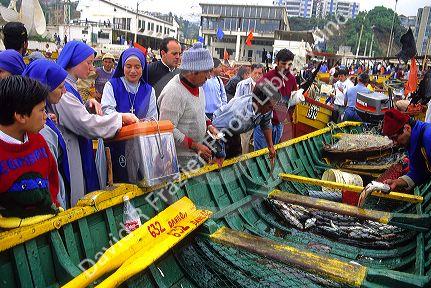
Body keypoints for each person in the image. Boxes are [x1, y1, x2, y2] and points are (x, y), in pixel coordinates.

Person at [53, 41, 139, 205]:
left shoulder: (69, 86)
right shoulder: (63, 90)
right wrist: (119, 119)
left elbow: (77, 114)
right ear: (74, 62)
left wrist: (87, 105)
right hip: (72, 149)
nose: (92, 68)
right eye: (89, 63)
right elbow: (83, 123)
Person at [0, 76, 60, 217]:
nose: (46, 116)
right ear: (21, 116)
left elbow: (52, 184)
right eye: (41, 110)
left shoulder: (39, 141)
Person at [158, 42, 221, 169]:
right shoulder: (174, 93)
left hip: (195, 156)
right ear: (193, 71)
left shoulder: (199, 86)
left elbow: (198, 111)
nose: (209, 76)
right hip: (178, 160)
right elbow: (167, 129)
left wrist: (209, 125)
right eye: (207, 72)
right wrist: (196, 146)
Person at [102, 47, 158, 182]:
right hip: (116, 142)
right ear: (122, 66)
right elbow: (106, 110)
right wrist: (124, 119)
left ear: (143, 68)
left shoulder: (149, 90)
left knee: (139, 180)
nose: (133, 71)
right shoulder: (112, 85)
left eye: (137, 67)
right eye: (128, 66)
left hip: (140, 144)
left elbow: (153, 117)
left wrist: (143, 123)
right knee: (117, 179)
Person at [22, 60, 72, 209]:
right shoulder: (41, 131)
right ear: (45, 87)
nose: (65, 91)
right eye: (61, 87)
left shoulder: (43, 118)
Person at [212, 81, 277, 163]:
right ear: (259, 102)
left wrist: (270, 146)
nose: (272, 109)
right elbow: (215, 129)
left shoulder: (267, 108)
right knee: (218, 162)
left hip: (234, 131)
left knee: (236, 159)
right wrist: (219, 153)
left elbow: (266, 124)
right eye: (270, 107)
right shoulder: (237, 112)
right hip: (218, 128)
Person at [254, 49, 298, 151]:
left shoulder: (291, 79)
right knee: (260, 156)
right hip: (263, 126)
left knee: (272, 154)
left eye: (289, 64)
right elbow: (254, 97)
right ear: (277, 62)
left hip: (279, 125)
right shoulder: (268, 77)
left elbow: (293, 99)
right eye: (283, 64)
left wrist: (288, 115)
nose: (286, 67)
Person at [382, 109, 431, 191]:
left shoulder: (428, 136)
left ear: (407, 128)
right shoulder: (412, 141)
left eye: (395, 138)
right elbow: (418, 172)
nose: (394, 143)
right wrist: (397, 182)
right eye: (391, 139)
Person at [234, 63, 264, 153]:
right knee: (245, 143)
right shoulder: (242, 85)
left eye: (260, 73)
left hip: (259, 119)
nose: (257, 75)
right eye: (255, 73)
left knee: (259, 143)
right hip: (246, 119)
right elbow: (236, 102)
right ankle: (244, 162)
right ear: (251, 72)